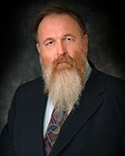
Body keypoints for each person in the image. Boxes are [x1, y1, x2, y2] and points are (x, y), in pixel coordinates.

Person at [0, 4, 125, 156]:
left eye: (68, 39)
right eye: (50, 42)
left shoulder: (119, 95)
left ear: (85, 43)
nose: (61, 51)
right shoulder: (23, 97)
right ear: (40, 50)